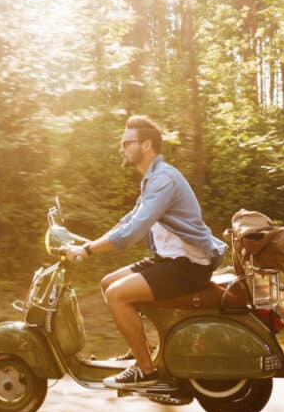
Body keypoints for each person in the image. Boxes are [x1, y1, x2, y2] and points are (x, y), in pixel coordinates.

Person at [63, 115, 226, 388]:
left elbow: (132, 232)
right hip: (170, 260)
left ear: (147, 145)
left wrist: (88, 251)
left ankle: (146, 369)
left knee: (117, 296)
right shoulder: (153, 178)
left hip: (188, 266)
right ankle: (142, 346)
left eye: (127, 142)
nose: (122, 148)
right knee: (108, 283)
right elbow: (128, 220)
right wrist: (86, 242)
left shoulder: (163, 179)